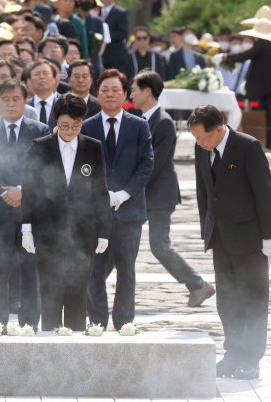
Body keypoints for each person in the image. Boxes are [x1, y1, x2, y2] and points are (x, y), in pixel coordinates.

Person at [189, 105, 271, 380]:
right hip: (221, 239)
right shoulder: (202, 149)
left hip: (250, 240)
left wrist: (268, 237)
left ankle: (251, 358)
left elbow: (264, 194)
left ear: (220, 128)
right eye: (196, 139)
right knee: (228, 301)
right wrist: (206, 231)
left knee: (254, 299)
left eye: (203, 138)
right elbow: (204, 193)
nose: (200, 144)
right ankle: (233, 353)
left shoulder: (248, 148)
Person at [21, 94, 111, 331]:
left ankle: (76, 340)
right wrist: (26, 228)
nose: (70, 130)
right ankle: (50, 338)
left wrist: (103, 232)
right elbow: (30, 189)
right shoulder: (40, 147)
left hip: (83, 230)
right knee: (50, 289)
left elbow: (100, 191)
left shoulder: (93, 147)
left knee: (78, 290)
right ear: (56, 122)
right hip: (47, 230)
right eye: (64, 125)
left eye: (76, 125)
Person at [130, 70, 215, 307]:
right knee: (125, 240)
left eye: (134, 89)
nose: (131, 94)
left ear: (148, 91)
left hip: (158, 194)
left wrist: (131, 187)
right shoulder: (143, 119)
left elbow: (155, 164)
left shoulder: (163, 122)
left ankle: (198, 285)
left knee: (158, 245)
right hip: (145, 192)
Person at [82, 69, 154, 331]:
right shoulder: (87, 126)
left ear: (125, 94)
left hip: (130, 210)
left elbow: (147, 164)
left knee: (127, 270)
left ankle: (124, 321)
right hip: (95, 212)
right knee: (95, 270)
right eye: (104, 90)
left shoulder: (139, 125)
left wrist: (124, 194)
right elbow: (82, 168)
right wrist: (100, 195)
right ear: (97, 94)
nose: (110, 94)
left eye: (115, 90)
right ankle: (97, 321)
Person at [0, 80, 49, 327]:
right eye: (5, 99)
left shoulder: (40, 131)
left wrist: (22, 191)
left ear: (25, 100)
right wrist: (4, 194)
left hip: (30, 211)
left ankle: (29, 321)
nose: (10, 104)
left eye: (15, 99)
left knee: (30, 268)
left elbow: (45, 170)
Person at [214, 18, 271, 149]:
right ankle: (266, 141)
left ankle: (259, 140)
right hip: (266, 88)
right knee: (266, 115)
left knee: (256, 114)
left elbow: (244, 56)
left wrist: (225, 57)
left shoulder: (262, 44)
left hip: (260, 89)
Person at [99, 0, 130, 77]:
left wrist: (105, 36)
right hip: (98, 56)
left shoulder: (121, 12)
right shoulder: (96, 11)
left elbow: (123, 32)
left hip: (116, 56)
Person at [26, 59, 61, 128]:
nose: (41, 77)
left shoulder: (64, 106)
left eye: (45, 73)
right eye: (37, 74)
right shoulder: (24, 108)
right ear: (30, 80)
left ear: (54, 79)